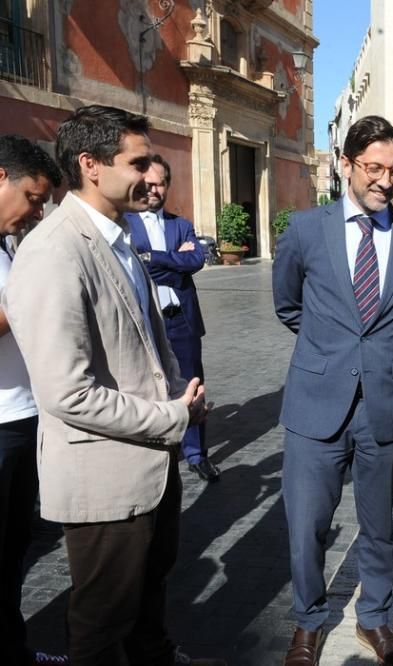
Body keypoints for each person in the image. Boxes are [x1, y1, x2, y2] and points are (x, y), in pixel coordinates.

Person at [2, 106, 219, 666]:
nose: (153, 174)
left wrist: (179, 395)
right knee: (101, 625)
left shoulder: (118, 237)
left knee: (148, 602)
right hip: (104, 475)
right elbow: (66, 393)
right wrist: (173, 416)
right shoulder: (54, 250)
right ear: (91, 166)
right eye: (139, 161)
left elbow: (144, 343)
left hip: (152, 463)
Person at [272, 115, 393, 666]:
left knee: (380, 524)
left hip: (385, 406)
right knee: (307, 526)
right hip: (315, 404)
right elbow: (288, 304)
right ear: (345, 165)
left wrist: (373, 358)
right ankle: (309, 621)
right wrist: (332, 352)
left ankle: (376, 620)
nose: (385, 180)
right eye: (374, 167)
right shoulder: (303, 229)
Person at [0, 134, 67, 666]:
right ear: (1, 178)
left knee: (14, 548)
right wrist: (31, 291)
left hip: (24, 417)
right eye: (32, 197)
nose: (36, 211)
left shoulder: (7, 243)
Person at [125, 155, 218, 482]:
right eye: (147, 184)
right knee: (147, 386)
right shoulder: (126, 223)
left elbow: (195, 259)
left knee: (192, 384)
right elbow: (138, 265)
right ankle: (158, 451)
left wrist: (157, 258)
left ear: (168, 185)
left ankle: (196, 453)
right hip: (144, 322)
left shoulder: (181, 224)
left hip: (182, 320)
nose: (153, 190)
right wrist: (173, 260)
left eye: (159, 183)